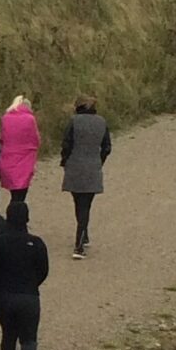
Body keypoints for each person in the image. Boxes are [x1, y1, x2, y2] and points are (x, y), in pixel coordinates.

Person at [0, 197, 52, 350]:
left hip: (4, 296)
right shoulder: (36, 243)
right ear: (27, 219)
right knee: (29, 337)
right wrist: (33, 283)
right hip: (29, 296)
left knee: (8, 335)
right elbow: (44, 270)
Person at [61, 96, 113, 258]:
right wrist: (99, 161)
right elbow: (107, 147)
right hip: (92, 166)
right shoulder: (102, 122)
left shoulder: (74, 121)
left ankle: (80, 243)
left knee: (78, 203)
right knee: (86, 205)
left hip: (75, 166)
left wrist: (65, 161)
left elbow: (66, 144)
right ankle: (83, 236)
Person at [0, 95, 42, 205]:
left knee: (14, 191)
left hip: (8, 158)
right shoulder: (30, 119)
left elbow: (2, 138)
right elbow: (36, 139)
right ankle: (17, 215)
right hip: (25, 159)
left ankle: (12, 213)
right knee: (21, 191)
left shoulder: (5, 118)